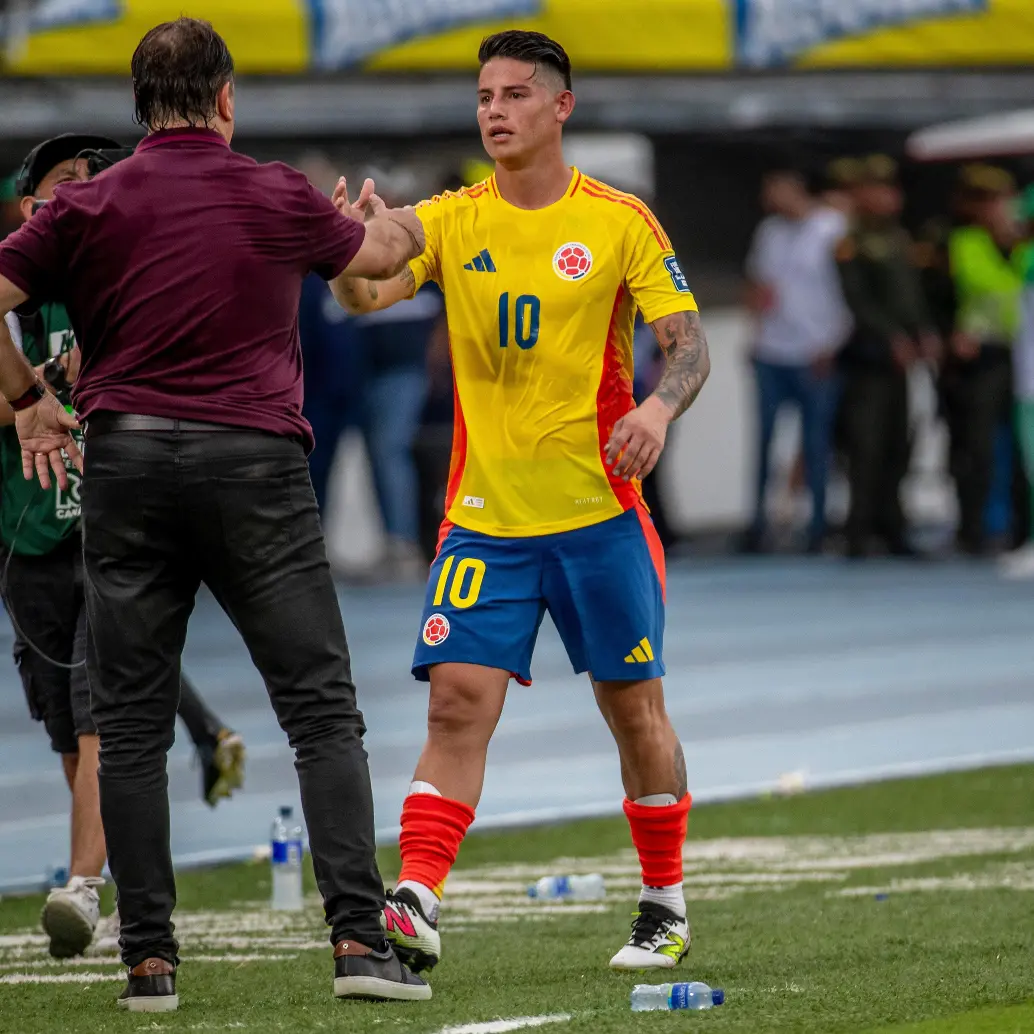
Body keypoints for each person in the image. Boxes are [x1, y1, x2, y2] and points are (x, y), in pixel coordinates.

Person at [0, 17, 429, 1011]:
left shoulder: (92, 201)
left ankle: (148, 960)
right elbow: (371, 261)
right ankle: (359, 944)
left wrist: (27, 399)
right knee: (320, 708)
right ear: (227, 99)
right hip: (255, 467)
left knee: (135, 725)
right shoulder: (273, 191)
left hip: (127, 465)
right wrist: (400, 221)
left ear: (140, 108)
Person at [332, 30, 710, 974]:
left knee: (637, 715)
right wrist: (339, 244)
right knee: (456, 707)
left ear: (559, 106)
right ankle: (415, 897)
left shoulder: (621, 221)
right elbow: (370, 284)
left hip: (599, 521)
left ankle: (663, 902)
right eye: (483, 97)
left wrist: (659, 409)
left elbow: (688, 344)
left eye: (513, 94)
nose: (494, 111)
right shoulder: (455, 217)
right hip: (485, 523)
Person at [0, 133, 247, 960]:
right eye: (57, 184)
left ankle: (82, 883)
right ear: (29, 209)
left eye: (91, 182)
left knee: (103, 717)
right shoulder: (14, 307)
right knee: (69, 735)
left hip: (116, 535)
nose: (75, 193)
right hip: (30, 545)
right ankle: (113, 870)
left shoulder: (126, 284)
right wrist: (29, 396)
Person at [742, 166, 851, 554]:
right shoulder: (769, 232)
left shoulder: (832, 228)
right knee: (764, 442)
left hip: (815, 350)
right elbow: (759, 285)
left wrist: (832, 342)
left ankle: (818, 525)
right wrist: (753, 336)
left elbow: (847, 290)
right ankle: (757, 524)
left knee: (816, 443)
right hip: (773, 349)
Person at [835, 155, 938, 559]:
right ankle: (858, 531)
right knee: (866, 445)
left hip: (903, 358)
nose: (888, 196)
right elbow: (858, 301)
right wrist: (892, 337)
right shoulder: (851, 241)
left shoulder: (900, 238)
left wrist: (923, 331)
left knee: (899, 443)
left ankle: (893, 525)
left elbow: (912, 296)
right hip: (869, 358)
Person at [945, 164, 1031, 555]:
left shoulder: (1024, 247)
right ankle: (975, 531)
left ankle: (1020, 531)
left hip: (1023, 353)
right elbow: (983, 288)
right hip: (984, 355)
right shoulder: (965, 242)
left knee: (1021, 448)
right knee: (976, 447)